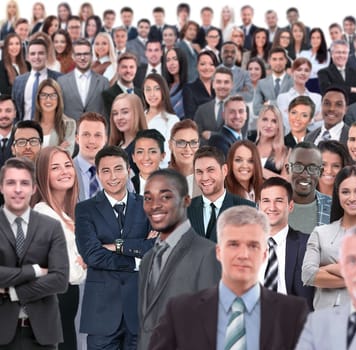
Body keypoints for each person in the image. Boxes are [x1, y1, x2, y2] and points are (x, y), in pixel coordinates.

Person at [149, 205, 309, 349]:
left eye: (253, 245)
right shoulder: (180, 312)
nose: (243, 255)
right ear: (218, 252)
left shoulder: (292, 313)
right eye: (233, 244)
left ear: (264, 254)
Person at [75, 146, 154, 350]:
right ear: (98, 173)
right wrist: (136, 260)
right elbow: (92, 255)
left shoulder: (147, 205)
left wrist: (116, 246)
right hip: (101, 313)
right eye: (106, 171)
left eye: (118, 169)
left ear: (128, 170)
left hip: (140, 311)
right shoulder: (85, 209)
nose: (113, 176)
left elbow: (155, 247)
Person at [137, 169, 221, 350]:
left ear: (186, 200)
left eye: (165, 197)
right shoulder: (147, 259)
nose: (154, 205)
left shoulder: (206, 254)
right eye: (148, 198)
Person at [0, 157, 69, 349]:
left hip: (42, 335)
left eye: (24, 183)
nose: (18, 189)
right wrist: (35, 271)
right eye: (11, 182)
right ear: (1, 187)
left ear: (33, 188)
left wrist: (12, 291)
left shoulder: (52, 227)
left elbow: (60, 279)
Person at [302, 165, 356, 310]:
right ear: (337, 194)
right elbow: (308, 274)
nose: (352, 198)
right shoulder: (320, 233)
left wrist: (331, 268)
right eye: (345, 192)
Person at [33, 146, 87, 350]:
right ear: (43, 175)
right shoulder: (43, 213)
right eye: (55, 167)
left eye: (67, 165)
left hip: (65, 304)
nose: (64, 171)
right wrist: (85, 263)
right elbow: (68, 272)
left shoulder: (68, 214)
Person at [258, 177, 315, 307]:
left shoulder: (307, 244)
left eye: (279, 201)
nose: (272, 207)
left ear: (290, 206)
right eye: (266, 201)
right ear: (259, 205)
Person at [187, 146, 255, 242]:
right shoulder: (184, 210)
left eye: (210, 170)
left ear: (224, 170)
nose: (205, 177)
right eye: (199, 172)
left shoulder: (248, 210)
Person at [57, 38, 109, 121]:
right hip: (70, 132)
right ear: (73, 56)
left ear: (91, 56)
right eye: (78, 54)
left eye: (86, 54)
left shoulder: (104, 82)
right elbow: (59, 113)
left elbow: (106, 114)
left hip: (95, 131)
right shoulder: (61, 82)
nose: (82, 58)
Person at [12, 38, 62, 122]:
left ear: (47, 55)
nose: (37, 57)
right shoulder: (18, 81)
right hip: (24, 129)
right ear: (28, 57)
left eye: (41, 53)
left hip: (50, 130)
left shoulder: (59, 79)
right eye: (33, 54)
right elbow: (15, 110)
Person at [287, 142, 332, 234]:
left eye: (312, 168)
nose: (305, 175)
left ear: (321, 172)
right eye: (298, 167)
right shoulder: (271, 205)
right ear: (288, 169)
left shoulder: (334, 207)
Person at [142, 74, 179, 167]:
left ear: (163, 91)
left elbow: (170, 152)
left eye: (157, 89)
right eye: (148, 89)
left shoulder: (172, 120)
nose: (152, 94)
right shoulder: (139, 116)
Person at [278, 57, 323, 133]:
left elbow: (321, 124)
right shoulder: (283, 98)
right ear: (292, 72)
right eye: (299, 70)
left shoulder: (317, 98)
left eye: (306, 70)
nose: (303, 73)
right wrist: (314, 119)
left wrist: (295, 117)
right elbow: (288, 124)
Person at [33, 79, 76, 155]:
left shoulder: (69, 124)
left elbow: (66, 154)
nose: (48, 99)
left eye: (53, 95)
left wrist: (40, 153)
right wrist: (56, 149)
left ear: (58, 98)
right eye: (44, 95)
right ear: (38, 98)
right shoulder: (31, 126)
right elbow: (27, 156)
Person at [108, 93, 148, 174]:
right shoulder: (116, 146)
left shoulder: (144, 147)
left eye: (125, 112)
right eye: (115, 113)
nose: (119, 117)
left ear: (137, 113)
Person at [318, 40, 356, 104]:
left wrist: (336, 88)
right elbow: (327, 90)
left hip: (353, 109)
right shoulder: (323, 73)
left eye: (344, 52)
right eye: (338, 52)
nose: (341, 55)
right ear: (331, 54)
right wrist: (350, 89)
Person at [73, 112, 107, 201]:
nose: (92, 141)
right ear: (77, 138)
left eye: (97, 135)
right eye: (86, 134)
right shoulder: (65, 172)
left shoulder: (120, 172)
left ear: (105, 139)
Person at [252, 47, 294, 116]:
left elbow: (294, 106)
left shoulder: (293, 82)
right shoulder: (261, 83)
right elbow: (256, 109)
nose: (278, 63)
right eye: (274, 59)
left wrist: (269, 103)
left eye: (281, 59)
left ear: (286, 61)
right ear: (269, 61)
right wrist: (283, 105)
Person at [102, 52, 144, 117]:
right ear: (117, 69)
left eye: (131, 67)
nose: (128, 71)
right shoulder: (107, 95)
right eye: (124, 67)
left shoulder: (141, 94)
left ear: (136, 69)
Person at [168, 119, 201, 198]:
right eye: (181, 143)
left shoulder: (209, 181)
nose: (188, 149)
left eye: (193, 142)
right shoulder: (159, 180)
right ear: (170, 145)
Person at [182, 50, 217, 119]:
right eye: (203, 64)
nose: (207, 68)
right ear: (197, 66)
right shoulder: (189, 89)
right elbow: (190, 118)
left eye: (211, 64)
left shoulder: (220, 88)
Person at [255, 105, 288, 178]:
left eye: (274, 121)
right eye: (265, 119)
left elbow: (286, 182)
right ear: (259, 121)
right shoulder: (249, 148)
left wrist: (258, 169)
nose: (269, 125)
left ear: (278, 126)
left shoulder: (286, 152)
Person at [131, 129, 165, 195]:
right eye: (140, 152)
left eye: (152, 152)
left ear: (162, 156)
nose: (146, 158)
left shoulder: (174, 185)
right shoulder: (127, 186)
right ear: (133, 157)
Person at [163, 47, 189, 119]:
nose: (171, 63)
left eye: (175, 59)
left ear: (181, 60)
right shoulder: (163, 86)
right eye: (168, 60)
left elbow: (177, 113)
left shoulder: (189, 88)